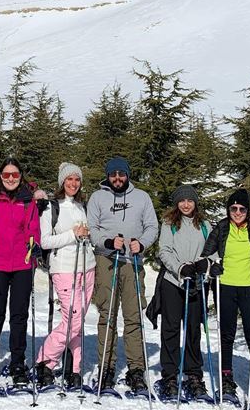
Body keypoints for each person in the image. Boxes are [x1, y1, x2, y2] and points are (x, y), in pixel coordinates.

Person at [86, 156, 159, 394]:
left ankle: (136, 369)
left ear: (128, 174)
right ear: (107, 176)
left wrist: (142, 243)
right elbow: (92, 228)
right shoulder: (98, 197)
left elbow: (152, 227)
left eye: (122, 174)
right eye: (113, 174)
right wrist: (107, 241)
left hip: (132, 262)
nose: (117, 178)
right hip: (106, 259)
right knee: (107, 315)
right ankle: (106, 367)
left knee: (133, 316)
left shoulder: (142, 197)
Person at [0, 157, 41, 391]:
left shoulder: (28, 200)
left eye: (14, 175)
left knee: (19, 316)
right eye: (6, 175)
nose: (10, 179)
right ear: (0, 177)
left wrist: (35, 246)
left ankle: (17, 363)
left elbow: (33, 228)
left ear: (20, 177)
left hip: (22, 264)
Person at [201, 189, 250, 407]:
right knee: (227, 334)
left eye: (242, 209)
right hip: (226, 286)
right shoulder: (221, 229)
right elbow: (206, 255)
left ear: (248, 211)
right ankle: (227, 378)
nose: (237, 212)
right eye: (233, 208)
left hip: (249, 287)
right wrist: (213, 267)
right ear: (228, 210)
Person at [35, 162, 96, 389]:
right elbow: (45, 241)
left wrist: (87, 236)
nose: (73, 183)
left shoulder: (83, 206)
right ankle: (44, 361)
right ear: (62, 182)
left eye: (77, 179)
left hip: (87, 267)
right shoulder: (52, 208)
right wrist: (73, 234)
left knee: (78, 321)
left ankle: (75, 369)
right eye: (69, 179)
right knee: (73, 319)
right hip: (63, 268)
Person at [157, 185, 212, 399]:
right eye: (182, 201)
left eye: (190, 200)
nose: (186, 204)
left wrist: (204, 264)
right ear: (177, 203)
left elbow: (213, 250)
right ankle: (170, 375)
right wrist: (180, 268)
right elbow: (164, 250)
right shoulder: (170, 223)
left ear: (195, 202)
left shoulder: (205, 225)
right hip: (174, 281)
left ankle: (193, 375)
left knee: (193, 330)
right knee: (170, 329)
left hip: (196, 283)